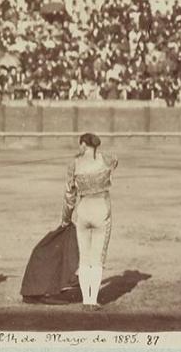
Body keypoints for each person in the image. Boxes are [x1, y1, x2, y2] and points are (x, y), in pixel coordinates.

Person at [61, 133, 118, 311]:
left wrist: (65, 218)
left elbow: (69, 195)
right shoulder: (106, 160)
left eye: (80, 145)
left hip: (83, 210)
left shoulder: (74, 164)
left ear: (84, 145)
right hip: (101, 209)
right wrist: (96, 153)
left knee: (85, 258)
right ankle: (93, 300)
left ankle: (87, 300)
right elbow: (115, 160)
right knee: (98, 258)